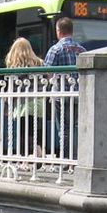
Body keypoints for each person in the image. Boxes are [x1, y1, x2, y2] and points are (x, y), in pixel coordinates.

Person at [44, 17, 86, 159]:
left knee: (63, 127)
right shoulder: (81, 50)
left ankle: (67, 157)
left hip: (61, 94)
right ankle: (78, 156)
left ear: (58, 31)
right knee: (76, 126)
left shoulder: (55, 49)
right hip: (78, 94)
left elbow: (47, 72)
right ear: (72, 31)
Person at [5, 38, 45, 157]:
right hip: (38, 101)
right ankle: (38, 151)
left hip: (24, 103)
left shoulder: (16, 67)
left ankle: (27, 157)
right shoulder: (39, 63)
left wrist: (7, 105)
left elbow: (12, 88)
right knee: (36, 128)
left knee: (24, 131)